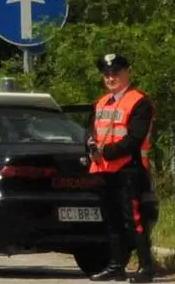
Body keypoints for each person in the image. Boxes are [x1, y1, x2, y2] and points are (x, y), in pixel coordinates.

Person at [86, 53, 156, 283]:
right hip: (103, 169)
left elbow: (134, 139)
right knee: (112, 219)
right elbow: (91, 131)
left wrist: (105, 152)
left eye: (115, 73)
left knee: (135, 220)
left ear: (128, 73)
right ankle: (116, 266)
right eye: (106, 74)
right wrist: (89, 146)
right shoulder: (101, 102)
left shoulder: (140, 102)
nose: (110, 77)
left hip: (130, 170)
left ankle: (146, 268)